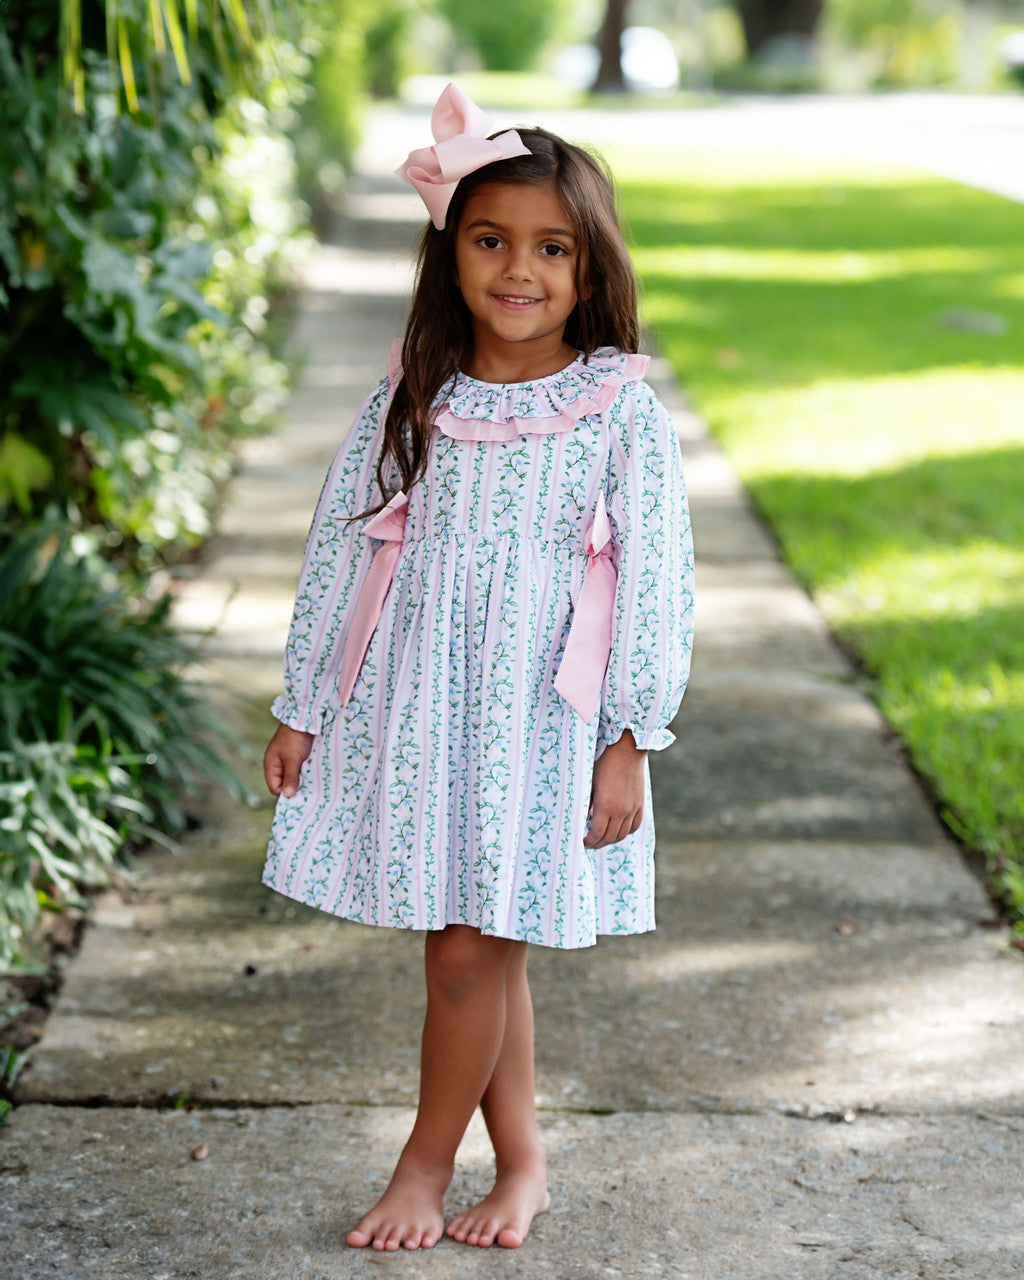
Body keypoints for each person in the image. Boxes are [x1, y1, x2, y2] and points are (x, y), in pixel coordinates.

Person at [262, 83, 695, 1253]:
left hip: (542, 719)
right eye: (489, 239)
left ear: (589, 267)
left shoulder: (613, 408)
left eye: (551, 247)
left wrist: (629, 735)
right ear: (447, 250)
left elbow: (654, 578)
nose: (520, 269)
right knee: (469, 941)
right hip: (421, 705)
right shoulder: (417, 392)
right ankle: (524, 1163)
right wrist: (305, 701)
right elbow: (341, 548)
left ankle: (421, 1160)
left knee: (466, 947)